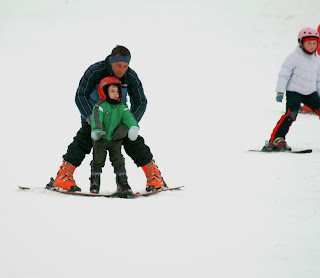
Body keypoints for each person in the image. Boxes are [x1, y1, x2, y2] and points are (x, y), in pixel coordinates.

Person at [50, 45, 166, 192]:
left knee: (134, 141)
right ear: (111, 61)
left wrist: (128, 124)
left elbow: (140, 101)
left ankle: (154, 176)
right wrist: (90, 119)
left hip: (119, 118)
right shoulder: (95, 71)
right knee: (84, 141)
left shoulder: (130, 76)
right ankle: (63, 175)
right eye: (118, 65)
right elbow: (81, 95)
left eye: (125, 66)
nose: (122, 69)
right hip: (94, 116)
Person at [262, 27, 320, 152]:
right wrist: (280, 92)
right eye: (308, 43)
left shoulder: (317, 59)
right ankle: (276, 140)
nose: (311, 46)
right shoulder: (293, 58)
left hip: (310, 92)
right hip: (295, 92)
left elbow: (318, 79)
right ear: (301, 43)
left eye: (314, 43)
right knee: (291, 114)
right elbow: (284, 75)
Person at [90, 76, 139, 196]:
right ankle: (95, 182)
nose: (116, 94)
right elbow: (96, 118)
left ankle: (123, 183)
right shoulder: (100, 105)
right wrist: (97, 130)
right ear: (104, 91)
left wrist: (133, 127)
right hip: (101, 139)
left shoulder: (122, 107)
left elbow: (129, 117)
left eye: (117, 91)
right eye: (112, 91)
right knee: (98, 160)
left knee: (118, 161)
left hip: (115, 140)